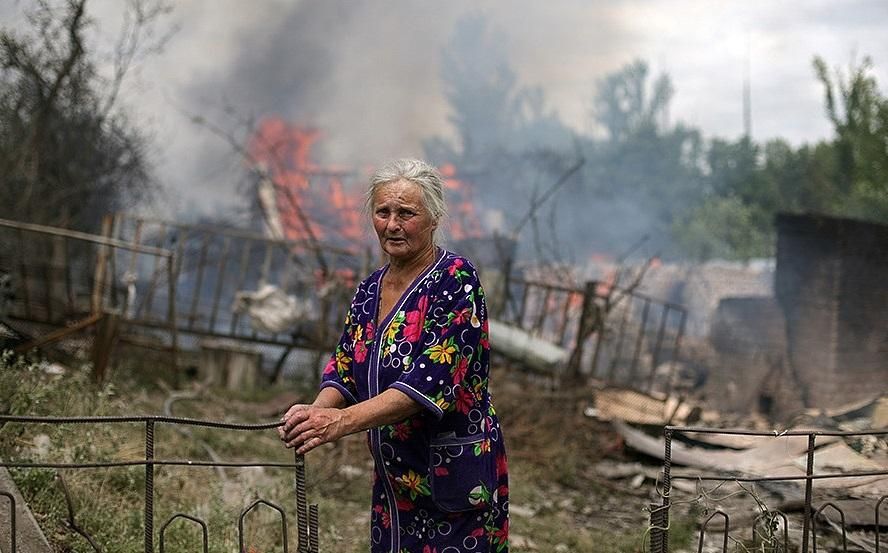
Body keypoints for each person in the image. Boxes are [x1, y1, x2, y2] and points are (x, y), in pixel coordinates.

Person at [279, 158, 509, 553]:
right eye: (383, 212)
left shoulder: (455, 280)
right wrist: (316, 412)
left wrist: (341, 421)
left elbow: (428, 382)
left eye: (406, 213)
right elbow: (346, 366)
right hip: (395, 479)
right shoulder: (369, 288)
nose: (392, 224)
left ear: (434, 218)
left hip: (451, 470)